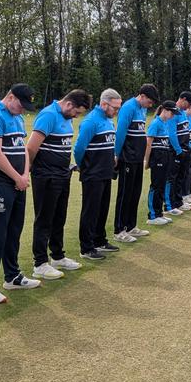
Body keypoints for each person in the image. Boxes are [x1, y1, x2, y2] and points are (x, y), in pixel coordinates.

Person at [0, 83, 42, 304]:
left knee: (14, 231)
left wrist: (24, 173)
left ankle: (12, 276)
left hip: (17, 183)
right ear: (11, 97)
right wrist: (17, 177)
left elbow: (22, 147)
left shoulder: (18, 117)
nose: (22, 109)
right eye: (21, 104)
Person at [26, 89, 92, 279]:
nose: (76, 116)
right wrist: (29, 170)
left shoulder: (66, 116)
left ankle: (57, 256)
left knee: (59, 217)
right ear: (69, 104)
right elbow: (31, 147)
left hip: (62, 175)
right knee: (44, 219)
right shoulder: (48, 115)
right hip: (46, 176)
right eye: (76, 112)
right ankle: (40, 263)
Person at [74, 88, 122, 260]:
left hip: (105, 172)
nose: (117, 112)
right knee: (91, 211)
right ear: (103, 104)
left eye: (118, 108)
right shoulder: (90, 121)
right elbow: (79, 149)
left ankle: (99, 240)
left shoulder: (108, 120)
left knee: (102, 209)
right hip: (93, 173)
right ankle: (86, 248)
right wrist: (84, 166)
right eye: (115, 108)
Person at [112, 83, 159, 243]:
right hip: (127, 158)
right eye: (149, 101)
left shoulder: (142, 109)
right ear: (142, 96)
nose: (150, 105)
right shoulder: (128, 107)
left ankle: (131, 226)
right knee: (125, 194)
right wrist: (116, 154)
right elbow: (120, 133)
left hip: (138, 158)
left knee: (135, 193)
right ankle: (119, 230)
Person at [145, 100, 185, 225]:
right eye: (172, 113)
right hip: (157, 158)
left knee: (162, 185)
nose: (173, 116)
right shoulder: (156, 123)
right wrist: (146, 160)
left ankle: (159, 214)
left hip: (165, 157)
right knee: (156, 186)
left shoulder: (165, 123)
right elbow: (148, 143)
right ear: (165, 110)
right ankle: (153, 216)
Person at [169, 91, 191, 211]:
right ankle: (172, 204)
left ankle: (178, 202)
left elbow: (186, 132)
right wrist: (178, 150)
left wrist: (189, 148)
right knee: (173, 179)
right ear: (183, 99)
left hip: (185, 150)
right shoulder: (173, 112)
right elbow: (171, 134)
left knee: (181, 178)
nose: (189, 106)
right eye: (188, 103)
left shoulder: (184, 114)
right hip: (176, 151)